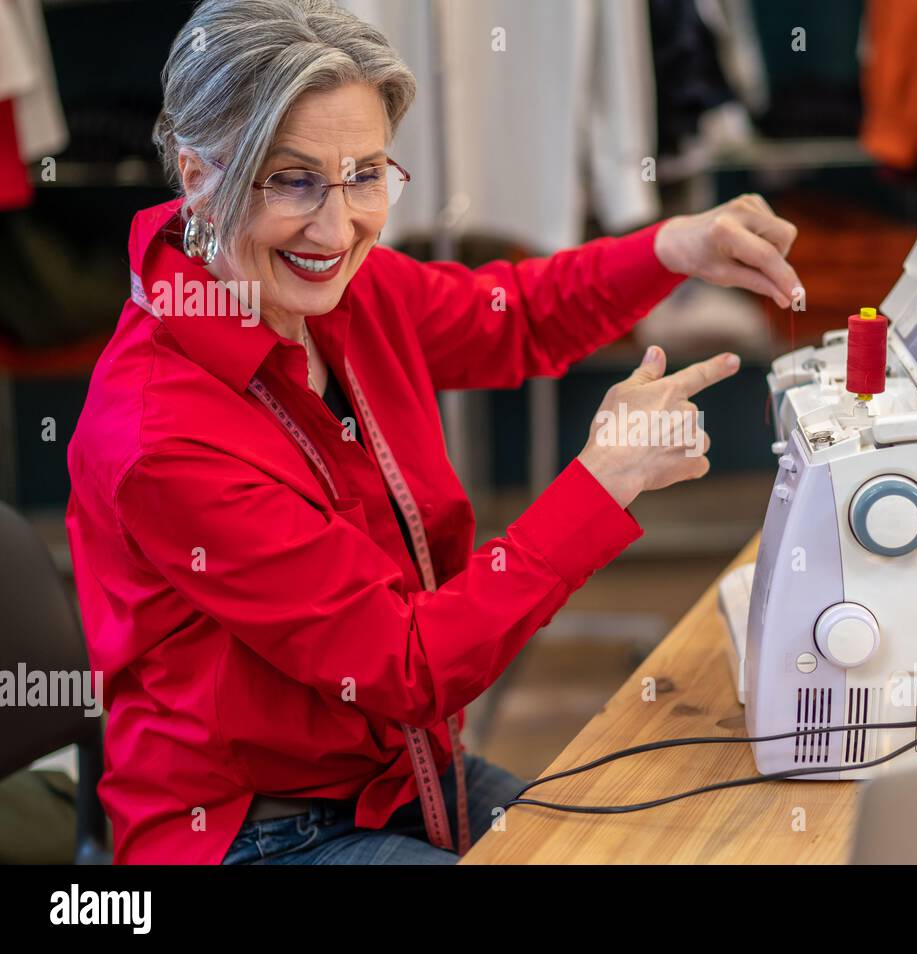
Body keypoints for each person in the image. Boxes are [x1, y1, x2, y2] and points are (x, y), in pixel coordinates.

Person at [64, 0, 801, 864]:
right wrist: (600, 485)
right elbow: (407, 666)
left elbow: (511, 316)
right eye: (291, 181)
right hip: (255, 832)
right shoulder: (164, 436)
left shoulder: (336, 288)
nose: (338, 230)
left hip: (398, 777)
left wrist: (674, 246)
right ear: (196, 175)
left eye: (366, 174)